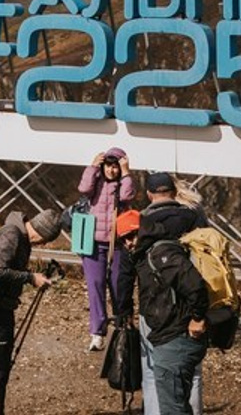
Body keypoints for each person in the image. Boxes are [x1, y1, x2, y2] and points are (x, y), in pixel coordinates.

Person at [115, 172, 208, 415]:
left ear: (148, 194)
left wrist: (123, 310)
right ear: (174, 192)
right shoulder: (193, 216)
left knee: (155, 371)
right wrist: (199, 316)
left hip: (160, 311)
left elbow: (124, 273)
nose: (128, 243)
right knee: (192, 374)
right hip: (192, 313)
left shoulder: (142, 224)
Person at [0, 208, 62, 415]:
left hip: (0, 305)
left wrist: (31, 276)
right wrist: (31, 278)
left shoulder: (17, 234)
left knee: (0, 366)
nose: (43, 245)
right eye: (45, 240)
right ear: (41, 233)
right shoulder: (13, 234)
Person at [77, 145, 135, 349]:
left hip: (117, 244)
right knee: (95, 286)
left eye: (115, 167)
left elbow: (128, 197)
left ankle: (122, 328)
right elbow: (83, 189)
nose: (111, 170)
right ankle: (97, 332)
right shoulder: (95, 181)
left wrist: (127, 173)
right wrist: (92, 167)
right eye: (108, 166)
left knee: (119, 287)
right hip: (92, 243)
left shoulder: (124, 183)